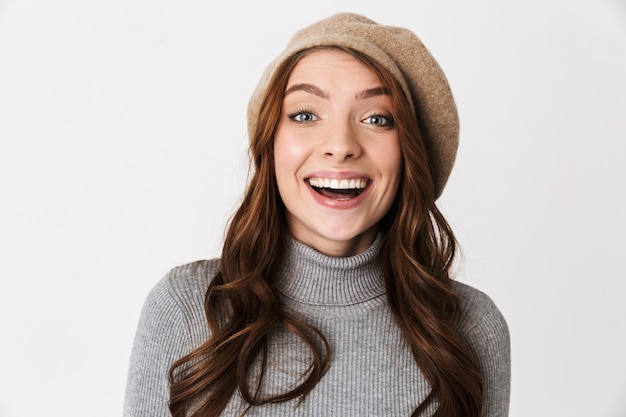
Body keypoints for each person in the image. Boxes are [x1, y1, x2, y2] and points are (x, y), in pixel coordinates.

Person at [123, 12, 511, 417]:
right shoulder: (187, 309)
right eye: (306, 115)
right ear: (270, 145)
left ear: (410, 153)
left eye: (376, 118)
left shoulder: (470, 330)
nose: (340, 145)